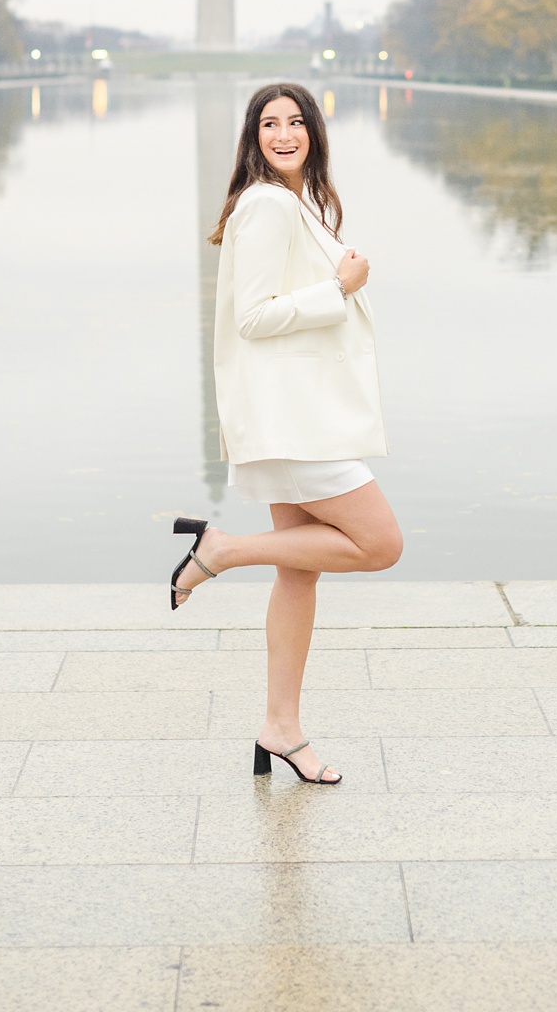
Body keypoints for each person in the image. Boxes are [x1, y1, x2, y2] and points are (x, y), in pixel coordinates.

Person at [168, 81, 402, 787]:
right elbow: (255, 316)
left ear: (314, 133)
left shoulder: (292, 202)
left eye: (296, 121)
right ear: (253, 137)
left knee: (299, 574)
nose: (284, 133)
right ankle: (222, 548)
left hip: (289, 416)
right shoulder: (269, 204)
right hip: (298, 424)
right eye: (269, 123)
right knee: (380, 544)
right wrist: (341, 288)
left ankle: (282, 729)